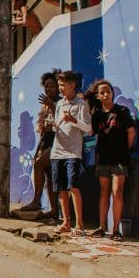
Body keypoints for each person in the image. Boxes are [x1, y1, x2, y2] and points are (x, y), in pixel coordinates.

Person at [89, 80, 137, 240]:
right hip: (103, 157)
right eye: (102, 92)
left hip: (120, 158)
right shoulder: (96, 114)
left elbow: (131, 131)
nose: (105, 94)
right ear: (97, 96)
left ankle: (116, 230)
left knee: (117, 191)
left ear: (112, 93)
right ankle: (102, 227)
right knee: (104, 192)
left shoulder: (122, 111)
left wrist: (125, 149)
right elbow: (92, 134)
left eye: (108, 91)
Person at [50, 70, 91, 236]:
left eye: (62, 85)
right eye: (59, 85)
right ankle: (66, 222)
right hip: (57, 151)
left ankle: (79, 224)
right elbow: (57, 126)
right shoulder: (59, 104)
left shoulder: (81, 104)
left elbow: (88, 128)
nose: (60, 88)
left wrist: (73, 120)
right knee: (61, 188)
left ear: (72, 85)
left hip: (73, 152)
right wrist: (51, 125)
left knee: (73, 186)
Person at [17, 70, 61, 219]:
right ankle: (54, 209)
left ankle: (36, 201)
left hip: (58, 140)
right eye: (46, 87)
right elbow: (42, 125)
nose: (49, 89)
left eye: (52, 86)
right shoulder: (45, 105)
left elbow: (63, 120)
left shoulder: (61, 102)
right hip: (46, 139)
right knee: (49, 174)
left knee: (38, 165)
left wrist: (52, 106)